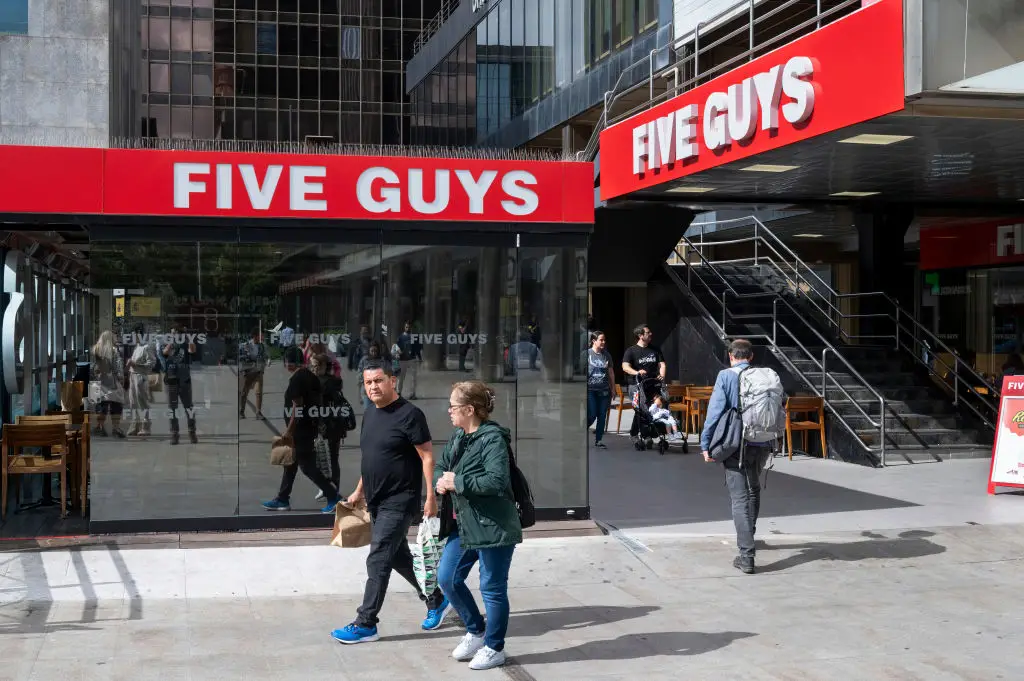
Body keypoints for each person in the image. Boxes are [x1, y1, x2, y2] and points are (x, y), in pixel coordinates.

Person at [331, 360, 449, 644]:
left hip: (401, 500)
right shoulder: (371, 412)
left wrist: (430, 496)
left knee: (378, 557)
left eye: (378, 380)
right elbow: (371, 459)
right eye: (368, 382)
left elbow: (427, 456)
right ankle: (436, 600)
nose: (373, 386)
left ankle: (366, 622)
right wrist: (359, 491)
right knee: (398, 557)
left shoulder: (410, 415)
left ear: (392, 381)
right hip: (376, 500)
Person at [435, 381, 522, 670]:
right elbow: (442, 465)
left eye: (454, 406)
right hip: (464, 525)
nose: (449, 411)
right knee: (447, 578)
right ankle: (475, 629)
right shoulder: (459, 437)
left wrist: (455, 482)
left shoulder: (492, 439)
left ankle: (495, 647)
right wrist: (441, 479)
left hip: (493, 524)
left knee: (492, 587)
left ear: (470, 410)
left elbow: (497, 481)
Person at [700, 339, 770, 575]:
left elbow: (715, 411)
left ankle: (746, 555)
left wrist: (705, 443)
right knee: (753, 489)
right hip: (762, 441)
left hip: (736, 443)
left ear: (731, 356)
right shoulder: (765, 375)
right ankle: (749, 532)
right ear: (750, 357)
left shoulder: (726, 376)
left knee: (739, 497)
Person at [262, 347, 342, 512]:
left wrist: (290, 430)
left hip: (300, 430)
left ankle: (333, 496)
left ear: (287, 362)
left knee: (307, 466)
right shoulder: (311, 377)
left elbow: (297, 406)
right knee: (290, 464)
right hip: (308, 426)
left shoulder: (297, 379)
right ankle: (283, 498)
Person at [310, 353, 351, 501]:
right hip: (331, 425)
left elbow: (323, 405)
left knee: (330, 457)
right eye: (311, 366)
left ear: (323, 366)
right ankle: (327, 486)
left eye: (315, 366)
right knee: (325, 456)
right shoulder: (330, 381)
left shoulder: (325, 383)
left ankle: (331, 488)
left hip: (329, 425)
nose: (312, 369)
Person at [621, 324, 667, 444]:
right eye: (648, 332)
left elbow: (662, 364)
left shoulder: (655, 349)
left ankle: (644, 434)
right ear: (640, 336)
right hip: (636, 385)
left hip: (652, 384)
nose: (650, 334)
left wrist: (662, 376)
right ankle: (640, 435)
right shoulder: (631, 351)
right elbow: (625, 367)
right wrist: (637, 372)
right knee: (640, 410)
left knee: (651, 409)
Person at [163, 323, 199, 445]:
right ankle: (174, 434)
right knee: (172, 409)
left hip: (184, 380)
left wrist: (188, 338)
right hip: (171, 380)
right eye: (172, 333)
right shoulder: (168, 343)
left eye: (176, 333)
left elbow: (192, 350)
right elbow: (165, 353)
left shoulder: (185, 344)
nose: (174, 335)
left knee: (189, 407)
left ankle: (192, 432)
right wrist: (171, 342)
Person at [91, 330, 127, 438]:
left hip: (96, 382)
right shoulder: (114, 351)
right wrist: (121, 378)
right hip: (110, 381)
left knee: (100, 406)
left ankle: (100, 427)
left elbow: (92, 367)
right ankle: (116, 428)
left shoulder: (94, 349)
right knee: (116, 405)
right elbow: (118, 367)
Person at [584, 330, 615, 449]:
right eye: (601, 340)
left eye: (604, 340)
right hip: (590, 389)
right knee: (592, 414)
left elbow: (611, 373)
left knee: (602, 415)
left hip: (604, 389)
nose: (603, 342)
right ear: (593, 341)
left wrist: (613, 389)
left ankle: (599, 440)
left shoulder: (607, 355)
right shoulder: (586, 354)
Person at [126, 324, 157, 437]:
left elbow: (151, 363)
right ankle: (135, 425)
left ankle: (146, 426)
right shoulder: (137, 347)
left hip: (140, 377)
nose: (134, 338)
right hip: (132, 376)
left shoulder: (146, 347)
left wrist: (136, 364)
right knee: (133, 402)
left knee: (142, 403)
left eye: (135, 336)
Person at [238, 327, 268, 420]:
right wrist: (243, 371)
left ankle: (258, 413)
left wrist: (262, 369)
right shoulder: (245, 345)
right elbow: (241, 358)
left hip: (258, 372)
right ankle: (241, 411)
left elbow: (264, 358)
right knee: (243, 392)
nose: (262, 337)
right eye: (261, 335)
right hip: (247, 372)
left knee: (259, 392)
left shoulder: (262, 346)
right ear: (255, 336)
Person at [357, 341, 383, 410]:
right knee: (368, 410)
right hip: (367, 390)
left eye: (375, 351)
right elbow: (359, 373)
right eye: (372, 351)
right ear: (369, 351)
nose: (374, 353)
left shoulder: (382, 360)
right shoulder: (364, 360)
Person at [396, 321, 419, 399]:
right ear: (404, 327)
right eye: (406, 327)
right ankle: (398, 393)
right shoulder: (400, 337)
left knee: (413, 377)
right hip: (403, 360)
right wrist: (398, 354)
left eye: (409, 327)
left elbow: (418, 348)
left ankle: (412, 394)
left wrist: (419, 357)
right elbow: (397, 347)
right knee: (401, 377)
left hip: (412, 359)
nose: (408, 328)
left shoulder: (415, 337)